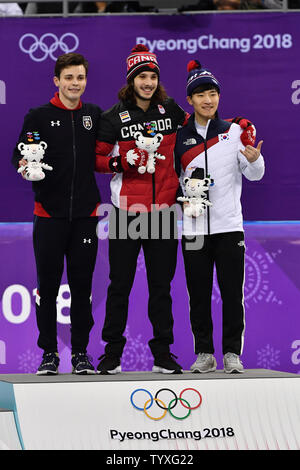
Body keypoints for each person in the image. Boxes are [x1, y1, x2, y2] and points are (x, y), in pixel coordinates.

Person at [94, 44, 188, 375]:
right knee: (119, 284)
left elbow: (197, 134)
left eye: (152, 77)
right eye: (141, 77)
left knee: (161, 287)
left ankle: (163, 353)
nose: (147, 82)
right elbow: (98, 159)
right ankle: (112, 354)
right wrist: (120, 161)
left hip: (163, 211)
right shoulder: (111, 117)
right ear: (131, 80)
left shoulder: (172, 111)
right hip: (125, 213)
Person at [12, 53, 102, 375]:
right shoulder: (37, 116)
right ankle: (49, 353)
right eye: (69, 78)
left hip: (86, 215)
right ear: (57, 81)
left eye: (80, 78)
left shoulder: (93, 115)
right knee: (47, 287)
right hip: (48, 215)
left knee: (82, 287)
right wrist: (25, 169)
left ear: (85, 81)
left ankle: (80, 354)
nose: (74, 83)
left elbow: (106, 156)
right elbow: (18, 158)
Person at [175, 60, 265, 374]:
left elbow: (254, 175)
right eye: (200, 94)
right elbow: (173, 182)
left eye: (212, 93)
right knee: (197, 295)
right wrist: (180, 202)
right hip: (195, 230)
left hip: (229, 227)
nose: (208, 99)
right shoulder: (179, 138)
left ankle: (231, 354)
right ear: (190, 100)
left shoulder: (235, 131)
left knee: (231, 294)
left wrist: (255, 160)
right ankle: (204, 353)